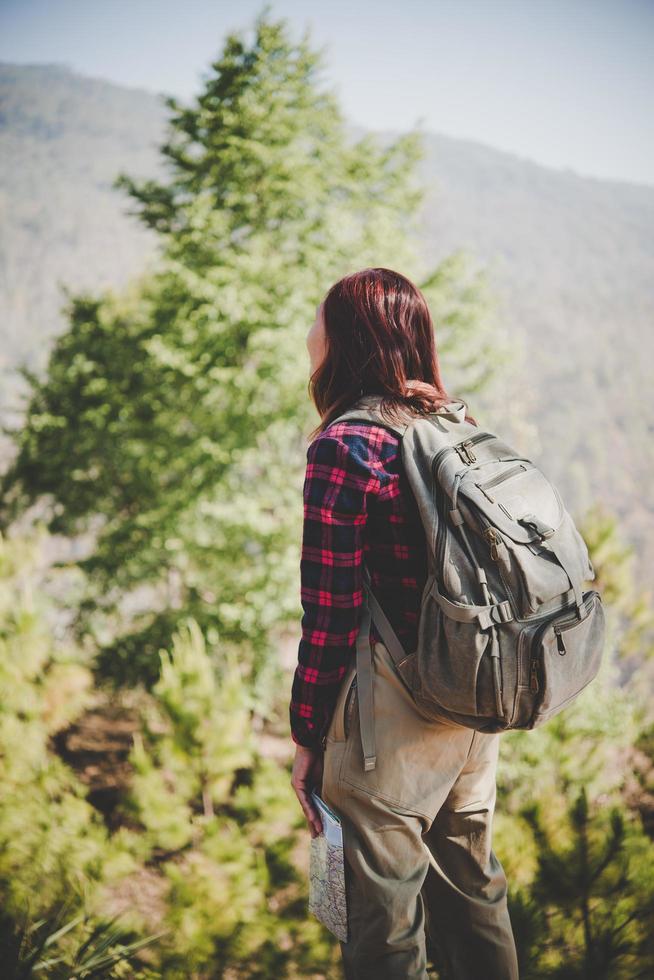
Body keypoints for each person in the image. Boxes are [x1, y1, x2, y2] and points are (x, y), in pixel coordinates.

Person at [289, 267, 520, 980]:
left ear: (348, 339)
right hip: (473, 709)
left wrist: (306, 739)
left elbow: (328, 614)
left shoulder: (345, 446)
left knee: (382, 924)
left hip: (387, 730)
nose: (309, 334)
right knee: (475, 895)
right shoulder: (456, 427)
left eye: (319, 320)